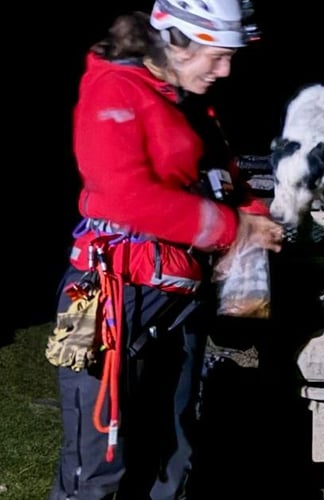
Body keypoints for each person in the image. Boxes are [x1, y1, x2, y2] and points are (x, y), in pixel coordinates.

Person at [46, 1, 283, 499]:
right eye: (216, 56)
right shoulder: (115, 89)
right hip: (116, 301)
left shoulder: (190, 101)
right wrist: (231, 228)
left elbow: (223, 175)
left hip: (181, 300)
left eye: (231, 57)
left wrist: (253, 212)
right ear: (174, 40)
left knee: (173, 458)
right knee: (100, 466)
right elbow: (123, 195)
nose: (226, 70)